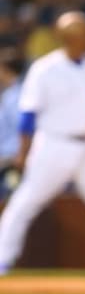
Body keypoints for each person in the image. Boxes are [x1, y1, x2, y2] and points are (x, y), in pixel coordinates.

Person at [0, 11, 85, 276]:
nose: (82, 37)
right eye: (76, 33)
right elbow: (28, 116)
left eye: (83, 32)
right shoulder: (44, 68)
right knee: (25, 202)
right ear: (63, 37)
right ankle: (3, 258)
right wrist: (24, 152)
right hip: (53, 144)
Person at [0, 48, 24, 201]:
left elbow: (22, 130)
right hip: (6, 159)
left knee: (11, 201)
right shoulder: (9, 93)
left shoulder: (15, 96)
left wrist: (15, 157)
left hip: (12, 161)